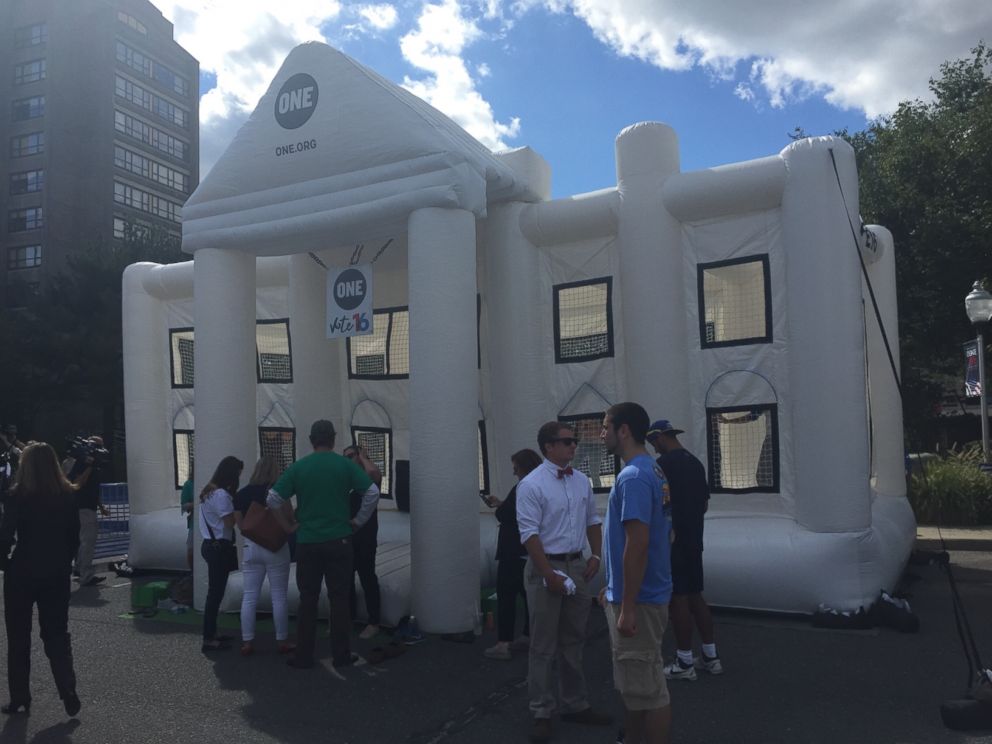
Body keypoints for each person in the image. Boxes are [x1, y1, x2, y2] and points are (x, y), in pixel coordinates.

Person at [516, 421, 612, 743]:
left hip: (577, 563)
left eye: (575, 441)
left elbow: (593, 520)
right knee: (543, 645)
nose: (574, 446)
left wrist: (596, 556)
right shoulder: (531, 485)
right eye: (567, 442)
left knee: (573, 641)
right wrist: (548, 574)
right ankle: (541, 710)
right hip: (547, 566)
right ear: (548, 447)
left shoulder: (581, 480)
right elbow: (529, 535)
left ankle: (574, 703)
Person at [267, 420, 379, 669]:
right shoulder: (344, 465)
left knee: (308, 598)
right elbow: (372, 492)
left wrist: (287, 527)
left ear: (310, 439)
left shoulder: (299, 467)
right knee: (340, 598)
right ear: (333, 439)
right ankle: (341, 656)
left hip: (308, 541)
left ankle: (304, 656)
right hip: (340, 540)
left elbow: (273, 498)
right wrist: (358, 521)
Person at [601, 403, 673, 744]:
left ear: (624, 430)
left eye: (605, 426)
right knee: (637, 682)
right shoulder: (653, 471)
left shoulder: (633, 476)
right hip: (642, 593)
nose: (602, 434)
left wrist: (627, 605)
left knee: (649, 689)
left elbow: (638, 541)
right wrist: (614, 587)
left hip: (640, 600)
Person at [0, 442, 82, 717]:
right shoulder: (68, 495)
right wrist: (65, 562)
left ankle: (20, 697)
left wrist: (5, 563)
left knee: (19, 637)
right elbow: (74, 537)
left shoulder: (18, 494)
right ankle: (67, 689)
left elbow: (6, 532)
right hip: (56, 572)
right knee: (57, 634)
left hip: (22, 570)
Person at [646, 419, 721, 680]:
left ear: (660, 438)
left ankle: (684, 661)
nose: (653, 449)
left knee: (677, 597)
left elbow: (656, 505)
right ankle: (711, 656)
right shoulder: (695, 463)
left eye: (653, 443)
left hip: (673, 542)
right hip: (694, 540)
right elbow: (704, 505)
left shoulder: (662, 466)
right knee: (696, 595)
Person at [233, 455, 295, 656]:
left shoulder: (241, 495)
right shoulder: (279, 493)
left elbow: (242, 526)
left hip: (251, 548)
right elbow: (289, 519)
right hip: (276, 547)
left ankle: (247, 642)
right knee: (279, 596)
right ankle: (282, 641)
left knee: (249, 596)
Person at [483, 448, 541, 660]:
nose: (514, 472)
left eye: (516, 467)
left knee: (506, 598)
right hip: (529, 552)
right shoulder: (538, 485)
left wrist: (500, 508)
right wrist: (502, 503)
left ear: (522, 467)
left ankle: (503, 643)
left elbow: (508, 515)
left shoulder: (522, 488)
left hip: (513, 552)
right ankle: (527, 634)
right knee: (527, 596)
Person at [199, 455, 243, 652]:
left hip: (210, 544)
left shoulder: (208, 492)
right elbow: (229, 523)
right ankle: (209, 637)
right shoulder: (222, 496)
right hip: (219, 547)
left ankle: (212, 633)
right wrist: (239, 510)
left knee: (214, 593)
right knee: (215, 593)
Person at [343, 444, 383, 640]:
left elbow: (374, 473)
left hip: (366, 538)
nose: (347, 459)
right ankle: (348, 619)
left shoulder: (368, 480)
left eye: (351, 455)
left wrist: (363, 457)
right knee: (346, 580)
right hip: (348, 538)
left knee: (368, 578)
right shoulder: (348, 482)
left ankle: (373, 622)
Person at [69, 436, 110, 587]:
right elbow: (79, 483)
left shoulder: (94, 464)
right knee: (88, 540)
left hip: (88, 505)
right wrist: (90, 466)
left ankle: (79, 569)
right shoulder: (83, 463)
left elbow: (92, 489)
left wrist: (101, 506)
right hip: (83, 507)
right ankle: (86, 575)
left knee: (84, 540)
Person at [180, 467, 195, 571]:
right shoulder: (189, 484)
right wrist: (196, 504)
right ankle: (193, 573)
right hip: (194, 523)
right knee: (191, 550)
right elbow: (184, 505)